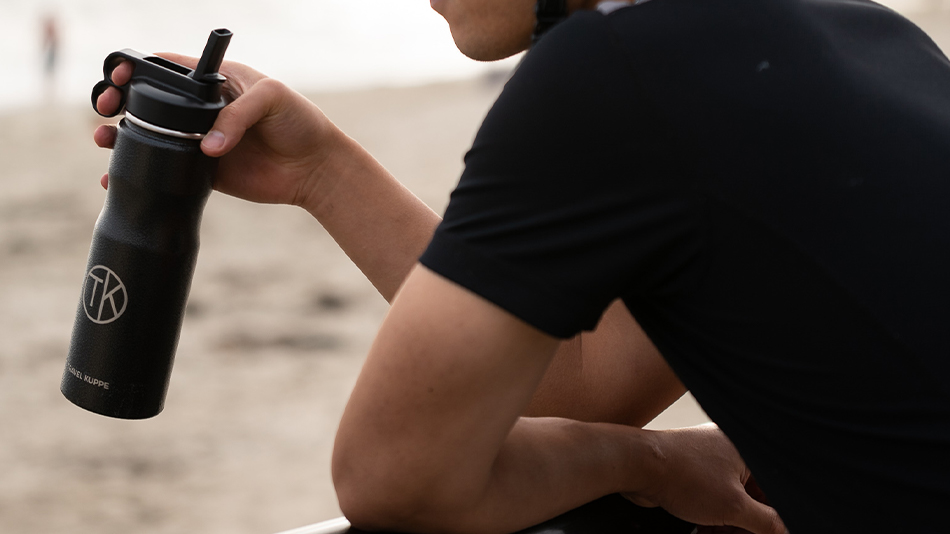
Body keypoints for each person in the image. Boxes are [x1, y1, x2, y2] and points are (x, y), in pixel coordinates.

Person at [92, 0, 950, 532]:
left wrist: (649, 466)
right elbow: (579, 380)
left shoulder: (614, 72)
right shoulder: (871, 37)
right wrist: (321, 171)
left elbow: (393, 476)